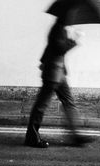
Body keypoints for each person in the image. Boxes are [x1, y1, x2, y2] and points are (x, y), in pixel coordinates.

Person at [24, 12, 94, 148]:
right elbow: (59, 48)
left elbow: (50, 47)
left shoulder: (59, 28)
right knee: (41, 105)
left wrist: (43, 61)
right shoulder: (57, 29)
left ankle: (76, 135)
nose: (72, 20)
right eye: (71, 17)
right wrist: (74, 39)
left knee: (68, 102)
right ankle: (31, 137)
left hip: (59, 72)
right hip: (53, 73)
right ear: (65, 16)